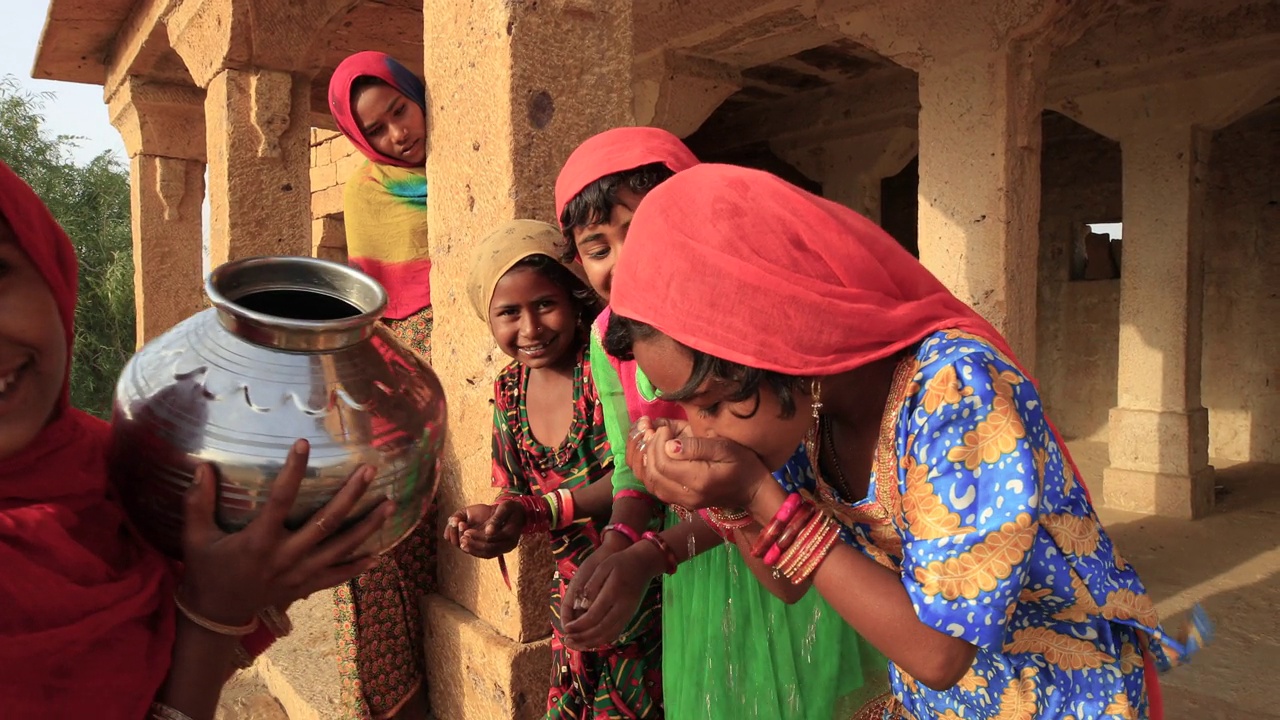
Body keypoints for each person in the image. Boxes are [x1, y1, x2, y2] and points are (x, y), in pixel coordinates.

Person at [604, 163, 1211, 719]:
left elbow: (942, 654)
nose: (701, 427)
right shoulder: (801, 417)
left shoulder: (955, 391)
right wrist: (732, 501)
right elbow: (787, 584)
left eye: (711, 403)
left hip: (1056, 696)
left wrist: (758, 494)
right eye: (683, 405)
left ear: (776, 344)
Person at [0, 159, 392, 720]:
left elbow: (152, 670)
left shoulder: (96, 459)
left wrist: (250, 601)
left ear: (48, 267)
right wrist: (213, 613)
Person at [554, 128, 887, 718]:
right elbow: (632, 465)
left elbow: (771, 461)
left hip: (782, 529)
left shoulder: (738, 312)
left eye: (642, 232)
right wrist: (617, 541)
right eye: (599, 248)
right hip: (704, 564)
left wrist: (655, 552)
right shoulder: (611, 343)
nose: (627, 262)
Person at [444, 220, 662, 718]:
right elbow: (513, 490)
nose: (531, 329)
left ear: (575, 296)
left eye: (544, 304)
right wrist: (494, 523)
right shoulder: (507, 389)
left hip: (642, 583)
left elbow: (636, 473)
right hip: (573, 598)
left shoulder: (605, 363)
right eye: (509, 313)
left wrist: (538, 510)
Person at [327, 50, 434, 719]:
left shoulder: (471, 162)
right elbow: (370, 312)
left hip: (480, 363)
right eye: (378, 129)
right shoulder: (366, 194)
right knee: (370, 530)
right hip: (400, 382)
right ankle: (391, 701)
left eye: (399, 108)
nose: (398, 133)